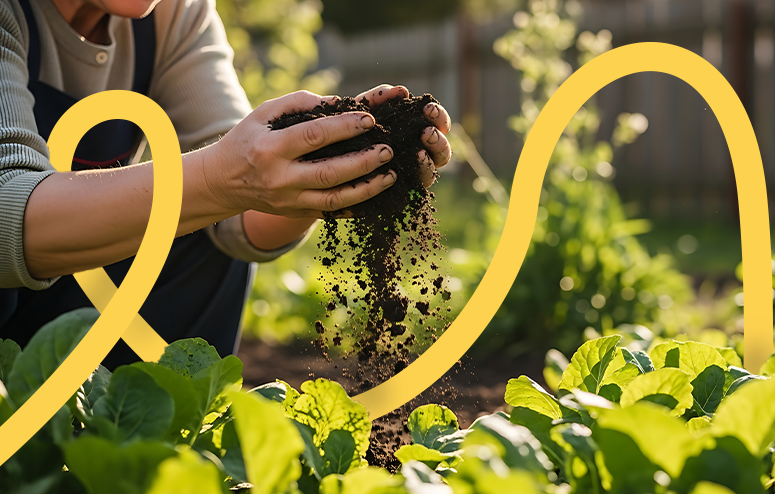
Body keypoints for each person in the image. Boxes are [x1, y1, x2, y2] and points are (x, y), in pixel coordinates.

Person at [0, 0, 452, 367]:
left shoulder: (175, 12)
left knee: (205, 215)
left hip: (69, 314)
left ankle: (145, 428)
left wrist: (325, 172)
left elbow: (241, 214)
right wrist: (222, 179)